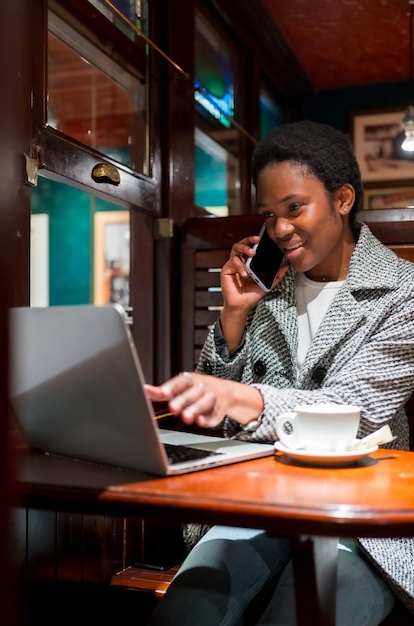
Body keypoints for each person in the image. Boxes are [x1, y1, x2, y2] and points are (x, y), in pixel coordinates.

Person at [144, 120, 414, 625]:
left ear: (343, 199)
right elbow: (215, 422)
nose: (280, 230)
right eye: (270, 215)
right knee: (183, 614)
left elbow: (351, 413)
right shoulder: (269, 292)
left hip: (360, 520)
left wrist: (246, 399)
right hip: (255, 502)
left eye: (295, 208)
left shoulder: (403, 292)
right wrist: (233, 318)